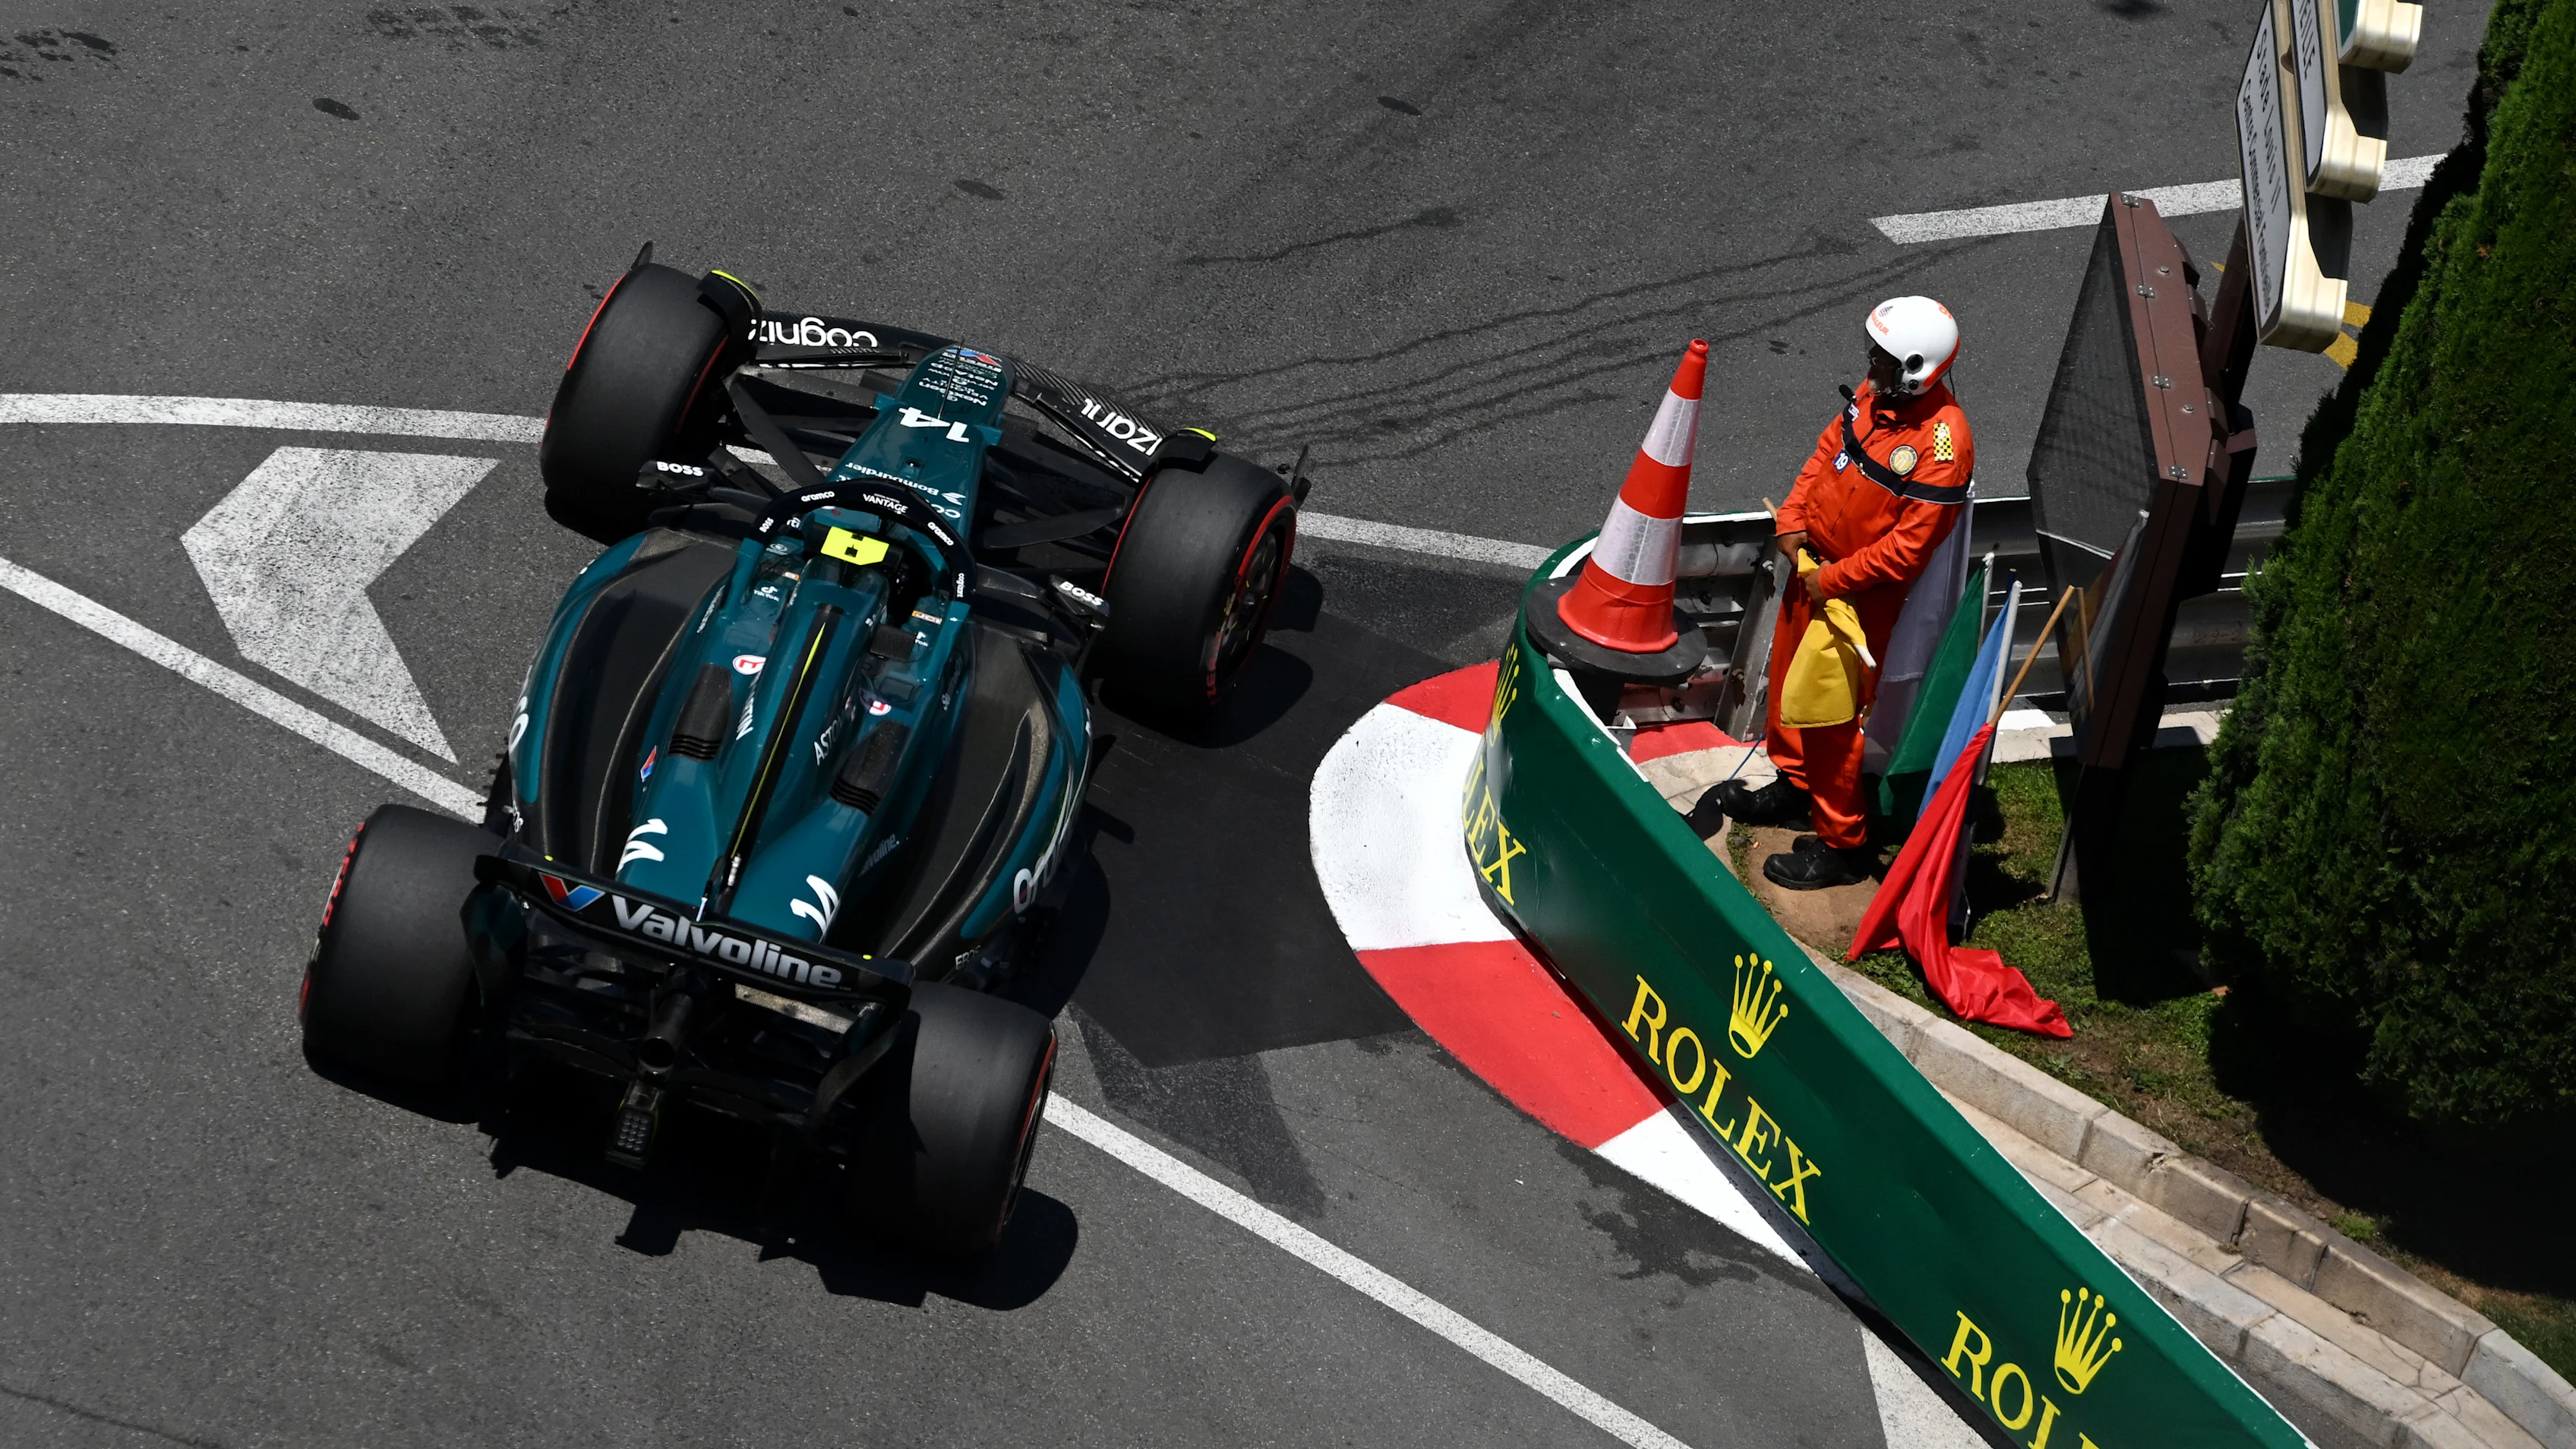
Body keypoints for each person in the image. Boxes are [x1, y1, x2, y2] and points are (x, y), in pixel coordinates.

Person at [1700, 296, 1972, 889]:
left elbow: (1908, 549)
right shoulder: (1876, 397)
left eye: (1883, 358)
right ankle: (1796, 788)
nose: (1871, 366)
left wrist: (1831, 579)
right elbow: (1826, 455)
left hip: (1854, 600)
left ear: (1917, 368)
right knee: (1788, 695)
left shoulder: (1943, 446)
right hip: (1811, 573)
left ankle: (1843, 844)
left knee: (1828, 718)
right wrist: (1792, 522)